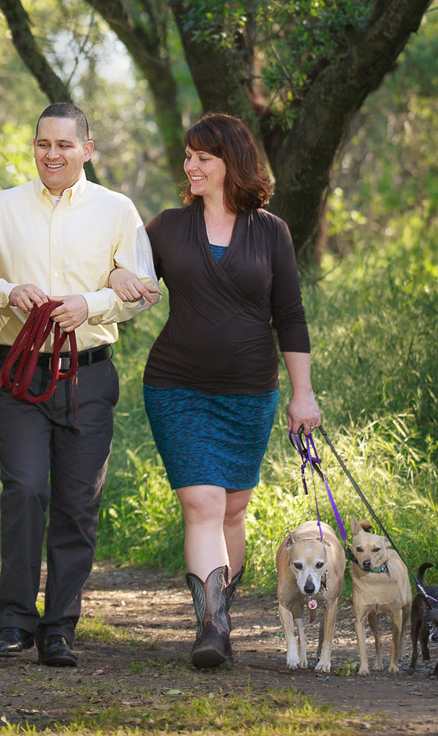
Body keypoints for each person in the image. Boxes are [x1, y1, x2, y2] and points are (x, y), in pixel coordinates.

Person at [0, 103, 157, 667]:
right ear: (34, 146)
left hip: (88, 375)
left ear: (87, 149)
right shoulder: (0, 207)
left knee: (76, 502)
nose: (52, 155)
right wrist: (6, 291)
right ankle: (15, 622)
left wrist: (86, 304)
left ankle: (60, 626)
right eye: (44, 144)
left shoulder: (118, 211)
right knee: (24, 488)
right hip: (18, 373)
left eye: (65, 145)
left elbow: (142, 288)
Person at [113, 112, 321, 671]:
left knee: (232, 509)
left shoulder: (270, 231)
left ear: (233, 161)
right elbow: (122, 274)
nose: (191, 166)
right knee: (201, 502)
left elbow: (291, 316)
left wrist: (303, 394)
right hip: (177, 386)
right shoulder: (165, 227)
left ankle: (219, 607)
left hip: (251, 392)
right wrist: (118, 280)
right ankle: (213, 629)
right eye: (187, 156)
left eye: (203, 156)